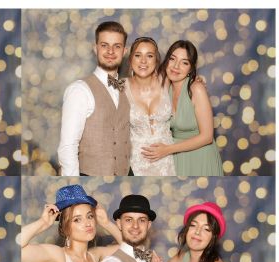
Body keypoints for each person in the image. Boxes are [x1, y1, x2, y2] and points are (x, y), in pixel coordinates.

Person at [58, 21, 130, 176]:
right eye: (104, 45)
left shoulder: (127, 88)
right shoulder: (79, 90)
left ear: (124, 51)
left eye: (117, 46)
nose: (110, 51)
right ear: (95, 48)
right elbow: (68, 147)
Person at [141, 40, 224, 176]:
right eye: (172, 59)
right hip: (176, 158)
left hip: (200, 157)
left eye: (184, 63)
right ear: (167, 61)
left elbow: (207, 137)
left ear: (190, 68)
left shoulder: (196, 89)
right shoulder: (165, 88)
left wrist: (167, 149)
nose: (176, 66)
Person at [125, 37, 175, 176]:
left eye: (149, 56)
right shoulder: (120, 87)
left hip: (169, 161)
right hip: (136, 164)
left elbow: (188, 82)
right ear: (130, 59)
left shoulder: (168, 81)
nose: (143, 61)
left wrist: (196, 80)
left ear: (156, 60)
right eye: (138, 55)